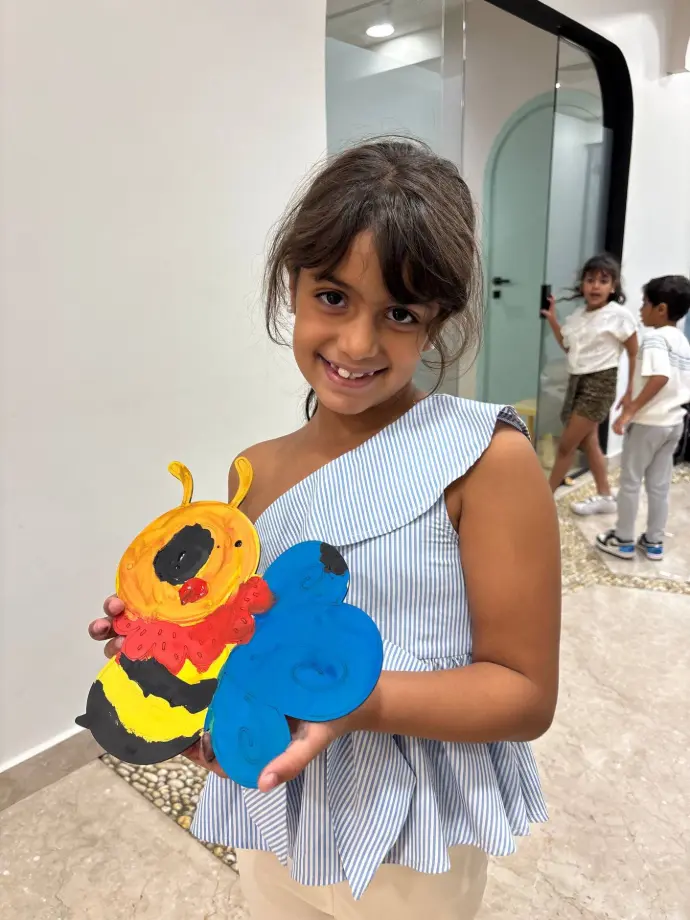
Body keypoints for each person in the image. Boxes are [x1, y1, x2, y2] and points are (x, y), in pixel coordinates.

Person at [88, 139, 561, 920]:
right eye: (333, 297)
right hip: (274, 814)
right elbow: (254, 648)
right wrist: (175, 662)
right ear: (293, 285)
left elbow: (523, 694)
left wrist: (355, 703)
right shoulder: (252, 472)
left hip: (411, 837)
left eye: (400, 314)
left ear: (437, 322)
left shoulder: (485, 458)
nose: (357, 344)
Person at [597, 275, 690, 561]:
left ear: (661, 309)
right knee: (659, 485)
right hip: (673, 423)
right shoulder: (681, 341)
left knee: (630, 482)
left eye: (645, 303)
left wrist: (631, 410)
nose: (640, 310)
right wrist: (631, 395)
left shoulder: (655, 339)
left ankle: (623, 540)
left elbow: (659, 377)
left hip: (649, 424)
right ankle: (653, 542)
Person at [541, 253, 638, 512]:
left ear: (613, 287)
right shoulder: (577, 316)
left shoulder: (618, 315)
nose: (596, 286)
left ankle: (544, 500)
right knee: (590, 441)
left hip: (600, 384)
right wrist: (553, 320)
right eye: (590, 280)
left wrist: (630, 390)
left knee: (566, 445)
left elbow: (633, 352)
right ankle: (605, 496)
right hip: (577, 381)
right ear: (582, 284)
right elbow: (569, 348)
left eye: (603, 281)